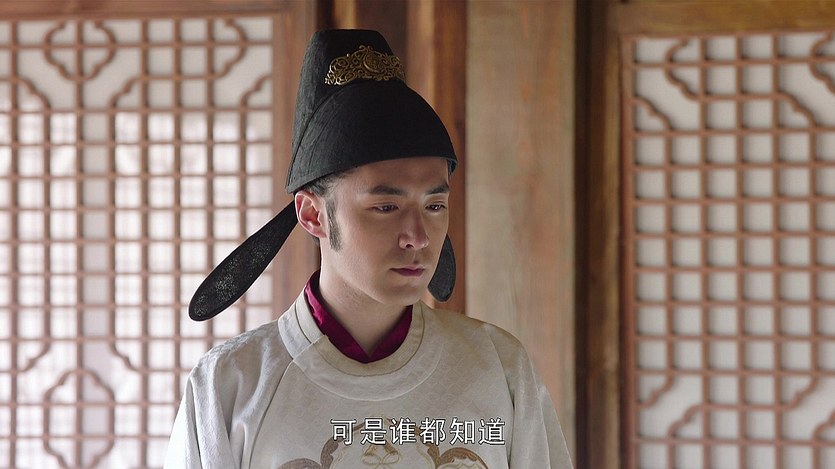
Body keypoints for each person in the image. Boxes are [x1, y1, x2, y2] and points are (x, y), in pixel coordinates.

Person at [165, 29, 573, 469]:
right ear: (313, 215)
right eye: (386, 207)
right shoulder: (231, 387)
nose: (417, 236)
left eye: (434, 205)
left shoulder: (499, 369)